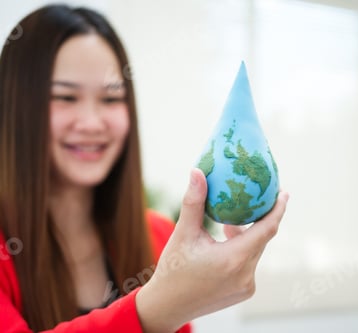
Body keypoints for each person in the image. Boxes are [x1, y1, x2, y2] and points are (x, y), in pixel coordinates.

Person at [0, 4, 288, 333]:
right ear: (15, 107)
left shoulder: (160, 238)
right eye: (66, 97)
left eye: (110, 99)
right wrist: (158, 307)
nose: (93, 123)